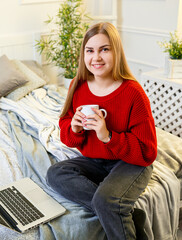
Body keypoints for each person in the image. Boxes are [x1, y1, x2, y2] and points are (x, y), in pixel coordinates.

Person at [46, 22, 157, 239]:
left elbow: (147, 152)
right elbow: (65, 134)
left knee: (106, 200)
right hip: (95, 160)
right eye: (90, 50)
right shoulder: (77, 86)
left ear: (116, 52)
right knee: (55, 173)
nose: (96, 57)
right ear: (83, 54)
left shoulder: (133, 93)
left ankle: (113, 207)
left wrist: (108, 137)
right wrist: (75, 128)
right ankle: (129, 215)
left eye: (104, 49)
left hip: (130, 162)